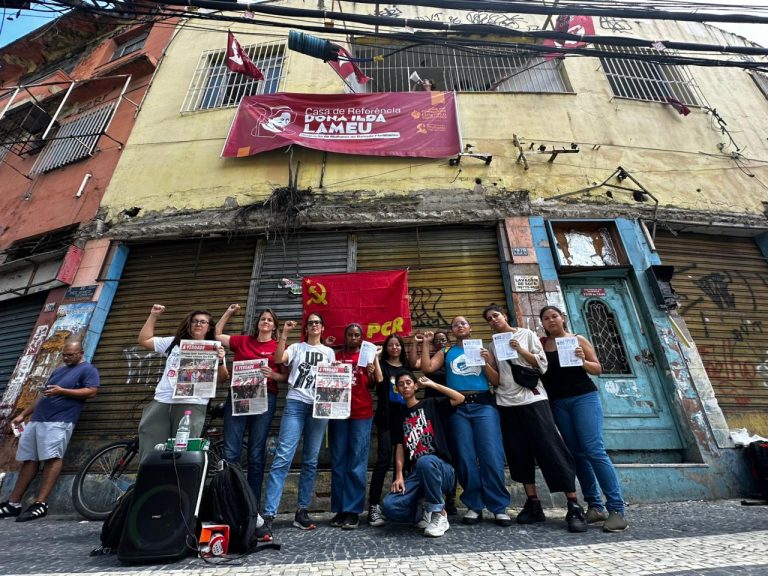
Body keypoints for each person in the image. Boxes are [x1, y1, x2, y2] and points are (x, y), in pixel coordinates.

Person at [482, 304, 587, 533]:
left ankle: (573, 504)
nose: (493, 321)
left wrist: (519, 349)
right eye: (489, 319)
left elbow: (541, 366)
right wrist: (485, 363)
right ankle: (533, 503)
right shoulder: (492, 345)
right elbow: (498, 381)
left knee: (551, 448)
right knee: (518, 453)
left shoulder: (526, 334)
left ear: (505, 315)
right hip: (506, 403)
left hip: (533, 399)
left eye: (496, 315)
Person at [539, 305, 629, 533]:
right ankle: (594, 506)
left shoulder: (577, 339)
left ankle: (617, 510)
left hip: (583, 398)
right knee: (577, 454)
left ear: (563, 318)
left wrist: (582, 361)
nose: (551, 321)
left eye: (554, 316)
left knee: (594, 450)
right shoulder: (542, 344)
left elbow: (597, 368)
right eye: (546, 318)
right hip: (558, 402)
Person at [420, 317, 513, 527]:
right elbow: (427, 368)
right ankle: (474, 505)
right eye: (455, 324)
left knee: (491, 455)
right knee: (465, 457)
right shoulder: (447, 352)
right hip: (458, 407)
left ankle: (499, 507)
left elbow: (496, 381)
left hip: (483, 404)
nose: (460, 326)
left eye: (464, 323)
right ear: (452, 331)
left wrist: (485, 362)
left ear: (470, 329)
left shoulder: (482, 348)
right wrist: (426, 342)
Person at [0, 340, 99, 522]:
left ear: (80, 353)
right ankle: (13, 504)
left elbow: (91, 391)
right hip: (38, 419)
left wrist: (62, 391)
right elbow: (43, 395)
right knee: (29, 460)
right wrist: (23, 415)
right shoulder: (59, 370)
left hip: (59, 421)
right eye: (64, 354)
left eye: (71, 355)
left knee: (53, 458)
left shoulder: (88, 369)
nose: (67, 358)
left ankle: (41, 503)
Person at [262, 313, 335, 531]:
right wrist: (284, 334)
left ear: (323, 328)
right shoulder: (296, 348)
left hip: (319, 408)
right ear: (306, 328)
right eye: (310, 323)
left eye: (317, 322)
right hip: (295, 403)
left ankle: (302, 511)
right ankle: (268, 513)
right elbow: (277, 359)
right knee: (283, 457)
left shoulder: (329, 352)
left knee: (311, 460)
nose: (314, 325)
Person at [136, 305, 228, 464]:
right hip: (163, 401)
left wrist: (219, 360)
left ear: (209, 327)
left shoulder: (214, 348)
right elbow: (144, 340)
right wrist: (153, 315)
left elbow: (223, 378)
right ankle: (148, 484)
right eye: (195, 321)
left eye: (203, 322)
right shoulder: (173, 342)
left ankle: (175, 487)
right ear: (189, 324)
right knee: (151, 447)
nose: (198, 324)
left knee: (182, 453)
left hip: (192, 404)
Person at [215, 304, 287, 505]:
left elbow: (285, 376)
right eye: (263, 319)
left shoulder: (278, 348)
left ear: (274, 326)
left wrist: (273, 375)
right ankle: (228, 500)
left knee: (256, 453)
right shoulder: (243, 341)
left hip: (265, 399)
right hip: (238, 397)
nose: (266, 322)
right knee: (231, 452)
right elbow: (217, 334)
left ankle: (251, 504)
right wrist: (228, 313)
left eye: (269, 320)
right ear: (257, 323)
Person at [382, 373, 464, 538]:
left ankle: (439, 514)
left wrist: (432, 384)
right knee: (389, 506)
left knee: (425, 461)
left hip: (442, 470)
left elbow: (459, 398)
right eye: (401, 384)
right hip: (417, 474)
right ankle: (424, 510)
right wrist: (399, 475)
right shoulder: (400, 417)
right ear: (397, 389)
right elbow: (399, 448)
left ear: (415, 386)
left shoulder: (431, 404)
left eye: (408, 383)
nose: (405, 386)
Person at [329, 323, 375, 530]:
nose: (353, 338)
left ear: (362, 338)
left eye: (357, 335)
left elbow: (372, 384)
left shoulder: (367, 356)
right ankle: (339, 508)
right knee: (338, 461)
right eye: (350, 334)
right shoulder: (335, 356)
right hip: (338, 413)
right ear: (345, 336)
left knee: (357, 461)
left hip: (361, 413)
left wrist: (373, 371)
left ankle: (353, 510)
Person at [368, 333, 411, 527]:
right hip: (385, 418)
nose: (394, 348)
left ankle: (397, 504)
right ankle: (374, 506)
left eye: (397, 345)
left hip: (405, 418)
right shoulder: (383, 365)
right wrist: (375, 357)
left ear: (402, 348)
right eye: (391, 345)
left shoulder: (406, 368)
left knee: (402, 463)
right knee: (384, 460)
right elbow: (378, 379)